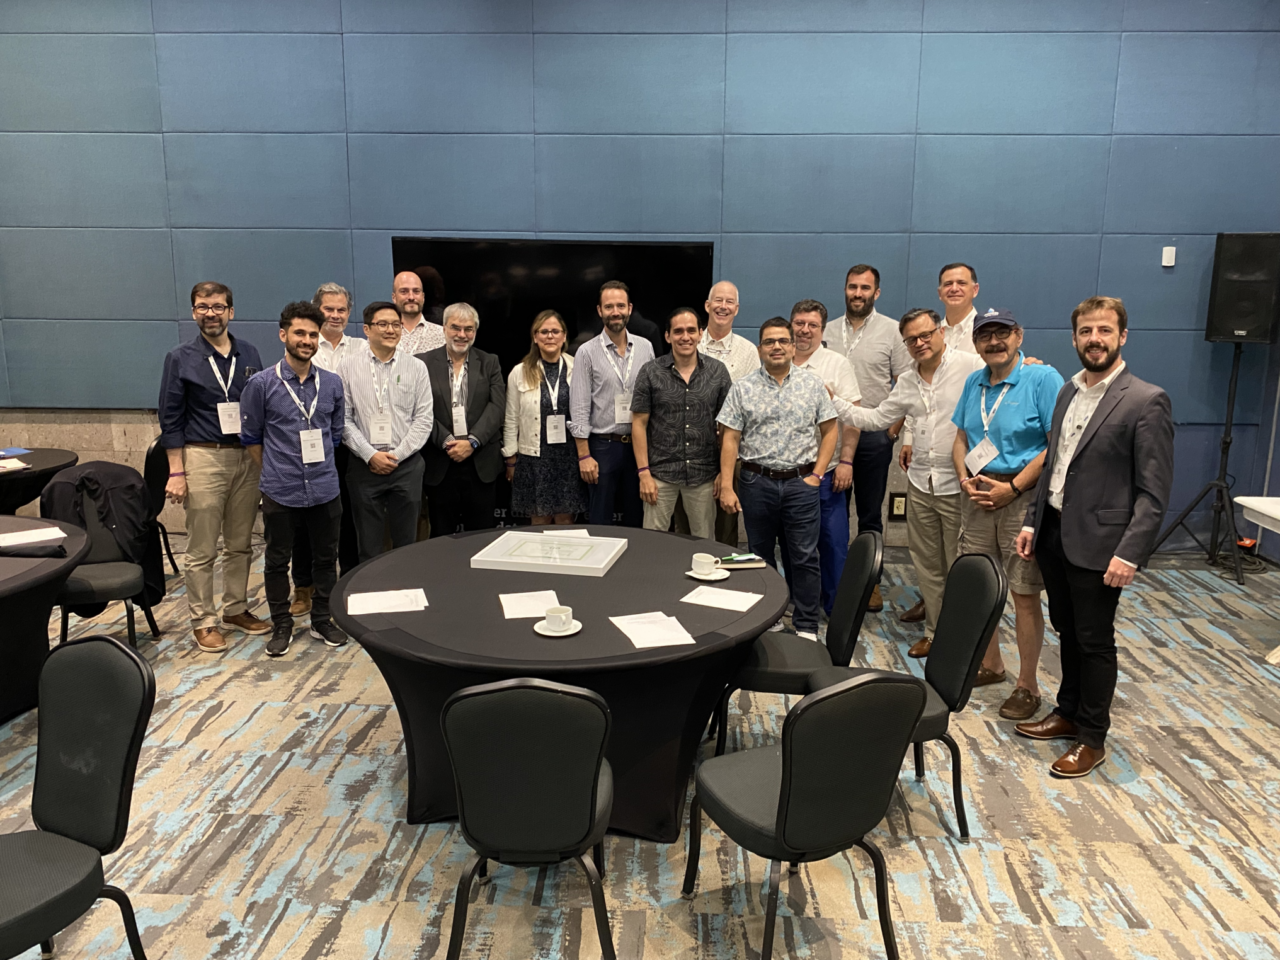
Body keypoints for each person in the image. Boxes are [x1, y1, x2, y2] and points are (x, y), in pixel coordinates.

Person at [1014, 297, 1173, 778]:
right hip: (1056, 532)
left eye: (1105, 331)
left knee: (1095, 640)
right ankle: (1066, 712)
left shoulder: (1146, 400)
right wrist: (1031, 520)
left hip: (1103, 546)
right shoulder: (1067, 391)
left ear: (1122, 336)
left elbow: (1154, 492)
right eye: (1086, 331)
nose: (1095, 339)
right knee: (1067, 629)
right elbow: (1054, 464)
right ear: (1075, 338)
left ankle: (1092, 737)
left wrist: (1131, 552)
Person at [845, 309, 984, 657]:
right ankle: (936, 633)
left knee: (959, 566)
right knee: (927, 564)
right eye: (912, 340)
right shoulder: (907, 380)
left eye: (926, 335)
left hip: (960, 484)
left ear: (940, 333)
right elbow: (877, 418)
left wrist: (1031, 365)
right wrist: (832, 400)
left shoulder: (970, 366)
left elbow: (1006, 371)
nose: (920, 343)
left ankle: (964, 640)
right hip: (921, 483)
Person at [951, 309, 1064, 721]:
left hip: (1021, 496)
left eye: (1002, 334)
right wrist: (964, 477)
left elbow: (1056, 447)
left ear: (1018, 335)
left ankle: (1027, 685)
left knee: (1023, 592)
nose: (993, 342)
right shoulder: (974, 382)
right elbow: (962, 437)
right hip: (978, 494)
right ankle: (992, 664)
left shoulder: (1042, 378)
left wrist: (1013, 488)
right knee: (981, 585)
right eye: (985, 336)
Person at [158, 281, 271, 653]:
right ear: (194, 313)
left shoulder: (250, 353)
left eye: (218, 306)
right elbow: (170, 418)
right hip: (203, 456)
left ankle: (235, 608)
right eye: (203, 307)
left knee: (240, 543)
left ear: (230, 311)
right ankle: (203, 620)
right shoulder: (180, 358)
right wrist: (177, 472)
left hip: (245, 456)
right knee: (202, 546)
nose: (211, 313)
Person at [717, 317, 837, 641]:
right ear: (760, 349)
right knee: (758, 556)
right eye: (769, 341)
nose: (777, 347)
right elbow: (730, 438)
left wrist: (817, 475)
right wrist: (727, 485)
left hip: (801, 483)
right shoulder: (742, 388)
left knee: (804, 556)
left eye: (783, 341)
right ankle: (768, 619)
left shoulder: (812, 385)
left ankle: (807, 625)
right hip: (757, 483)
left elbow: (830, 430)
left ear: (793, 345)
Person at [239, 301, 347, 657]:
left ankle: (321, 620)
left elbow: (334, 433)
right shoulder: (260, 384)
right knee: (276, 560)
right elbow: (252, 437)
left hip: (324, 487)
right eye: (300, 333)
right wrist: (276, 467)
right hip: (280, 489)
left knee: (324, 557)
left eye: (313, 334)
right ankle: (282, 624)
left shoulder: (331, 384)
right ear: (284, 335)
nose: (307, 340)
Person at [822, 264, 912, 613]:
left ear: (877, 292)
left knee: (870, 516)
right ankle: (838, 578)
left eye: (864, 288)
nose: (857, 293)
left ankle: (870, 583)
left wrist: (892, 431)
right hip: (832, 435)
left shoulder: (892, 332)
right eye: (852, 287)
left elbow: (907, 383)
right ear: (844, 289)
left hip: (874, 435)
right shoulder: (826, 330)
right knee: (834, 515)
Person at [288, 281, 361, 618]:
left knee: (344, 520)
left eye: (341, 309)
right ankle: (303, 587)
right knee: (304, 523)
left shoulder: (360, 348)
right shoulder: (302, 344)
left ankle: (346, 582)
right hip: (301, 449)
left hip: (345, 445)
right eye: (328, 309)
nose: (334, 315)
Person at [339, 301, 433, 561]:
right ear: (367, 329)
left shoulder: (416, 368)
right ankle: (370, 594)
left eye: (396, 324)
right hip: (364, 466)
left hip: (406, 466)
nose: (390, 330)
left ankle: (406, 590)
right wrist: (370, 455)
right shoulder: (347, 367)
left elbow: (423, 419)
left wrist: (397, 456)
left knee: (407, 543)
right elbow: (344, 419)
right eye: (382, 324)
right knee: (368, 545)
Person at [631, 307, 732, 540]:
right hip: (660, 474)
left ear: (700, 334)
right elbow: (638, 424)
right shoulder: (650, 372)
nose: (684, 337)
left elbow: (728, 428)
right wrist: (644, 473)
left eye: (690, 330)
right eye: (678, 331)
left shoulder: (717, 372)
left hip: (704, 475)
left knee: (704, 543)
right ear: (668, 336)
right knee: (652, 543)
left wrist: (723, 474)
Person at [788, 299, 862, 614]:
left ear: (821, 329)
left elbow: (853, 418)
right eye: (799, 323)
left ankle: (836, 608)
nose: (805, 330)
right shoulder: (777, 359)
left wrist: (846, 462)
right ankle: (798, 602)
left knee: (832, 544)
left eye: (812, 325)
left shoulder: (837, 364)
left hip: (828, 472)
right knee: (794, 546)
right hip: (787, 474)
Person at [569, 281, 656, 527]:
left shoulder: (645, 347)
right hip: (602, 447)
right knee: (600, 518)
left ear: (629, 308)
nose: (615, 311)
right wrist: (584, 454)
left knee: (637, 517)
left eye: (620, 305)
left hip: (638, 447)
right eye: (609, 306)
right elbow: (579, 407)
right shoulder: (586, 351)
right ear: (600, 311)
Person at [419, 302, 505, 536]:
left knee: (481, 537)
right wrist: (447, 441)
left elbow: (497, 407)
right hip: (440, 462)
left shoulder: (490, 362)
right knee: (440, 535)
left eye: (469, 329)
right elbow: (418, 410)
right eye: (455, 327)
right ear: (444, 328)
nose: (461, 335)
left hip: (480, 463)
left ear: (475, 331)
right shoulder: (422, 363)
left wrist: (473, 442)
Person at [503, 310, 587, 524]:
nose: (550, 336)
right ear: (535, 337)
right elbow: (511, 417)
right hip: (534, 458)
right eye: (544, 332)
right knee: (539, 522)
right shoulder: (519, 372)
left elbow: (585, 412)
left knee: (565, 521)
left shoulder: (578, 368)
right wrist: (510, 458)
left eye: (555, 331)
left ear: (564, 336)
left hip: (568, 457)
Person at [699, 280, 759, 546]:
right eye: (718, 301)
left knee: (725, 524)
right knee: (689, 523)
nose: (723, 307)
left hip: (732, 448)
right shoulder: (690, 341)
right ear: (707, 305)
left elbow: (753, 404)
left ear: (736, 309)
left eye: (729, 302)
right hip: (693, 448)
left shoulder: (748, 352)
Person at [393, 270, 446, 356]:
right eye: (404, 291)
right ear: (394, 297)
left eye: (416, 291)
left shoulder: (442, 335)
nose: (411, 297)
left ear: (423, 296)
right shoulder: (384, 334)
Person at [937, 263, 981, 354]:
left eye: (962, 283)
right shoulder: (933, 334)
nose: (954, 289)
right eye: (948, 284)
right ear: (940, 293)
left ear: (975, 290)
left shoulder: (986, 331)